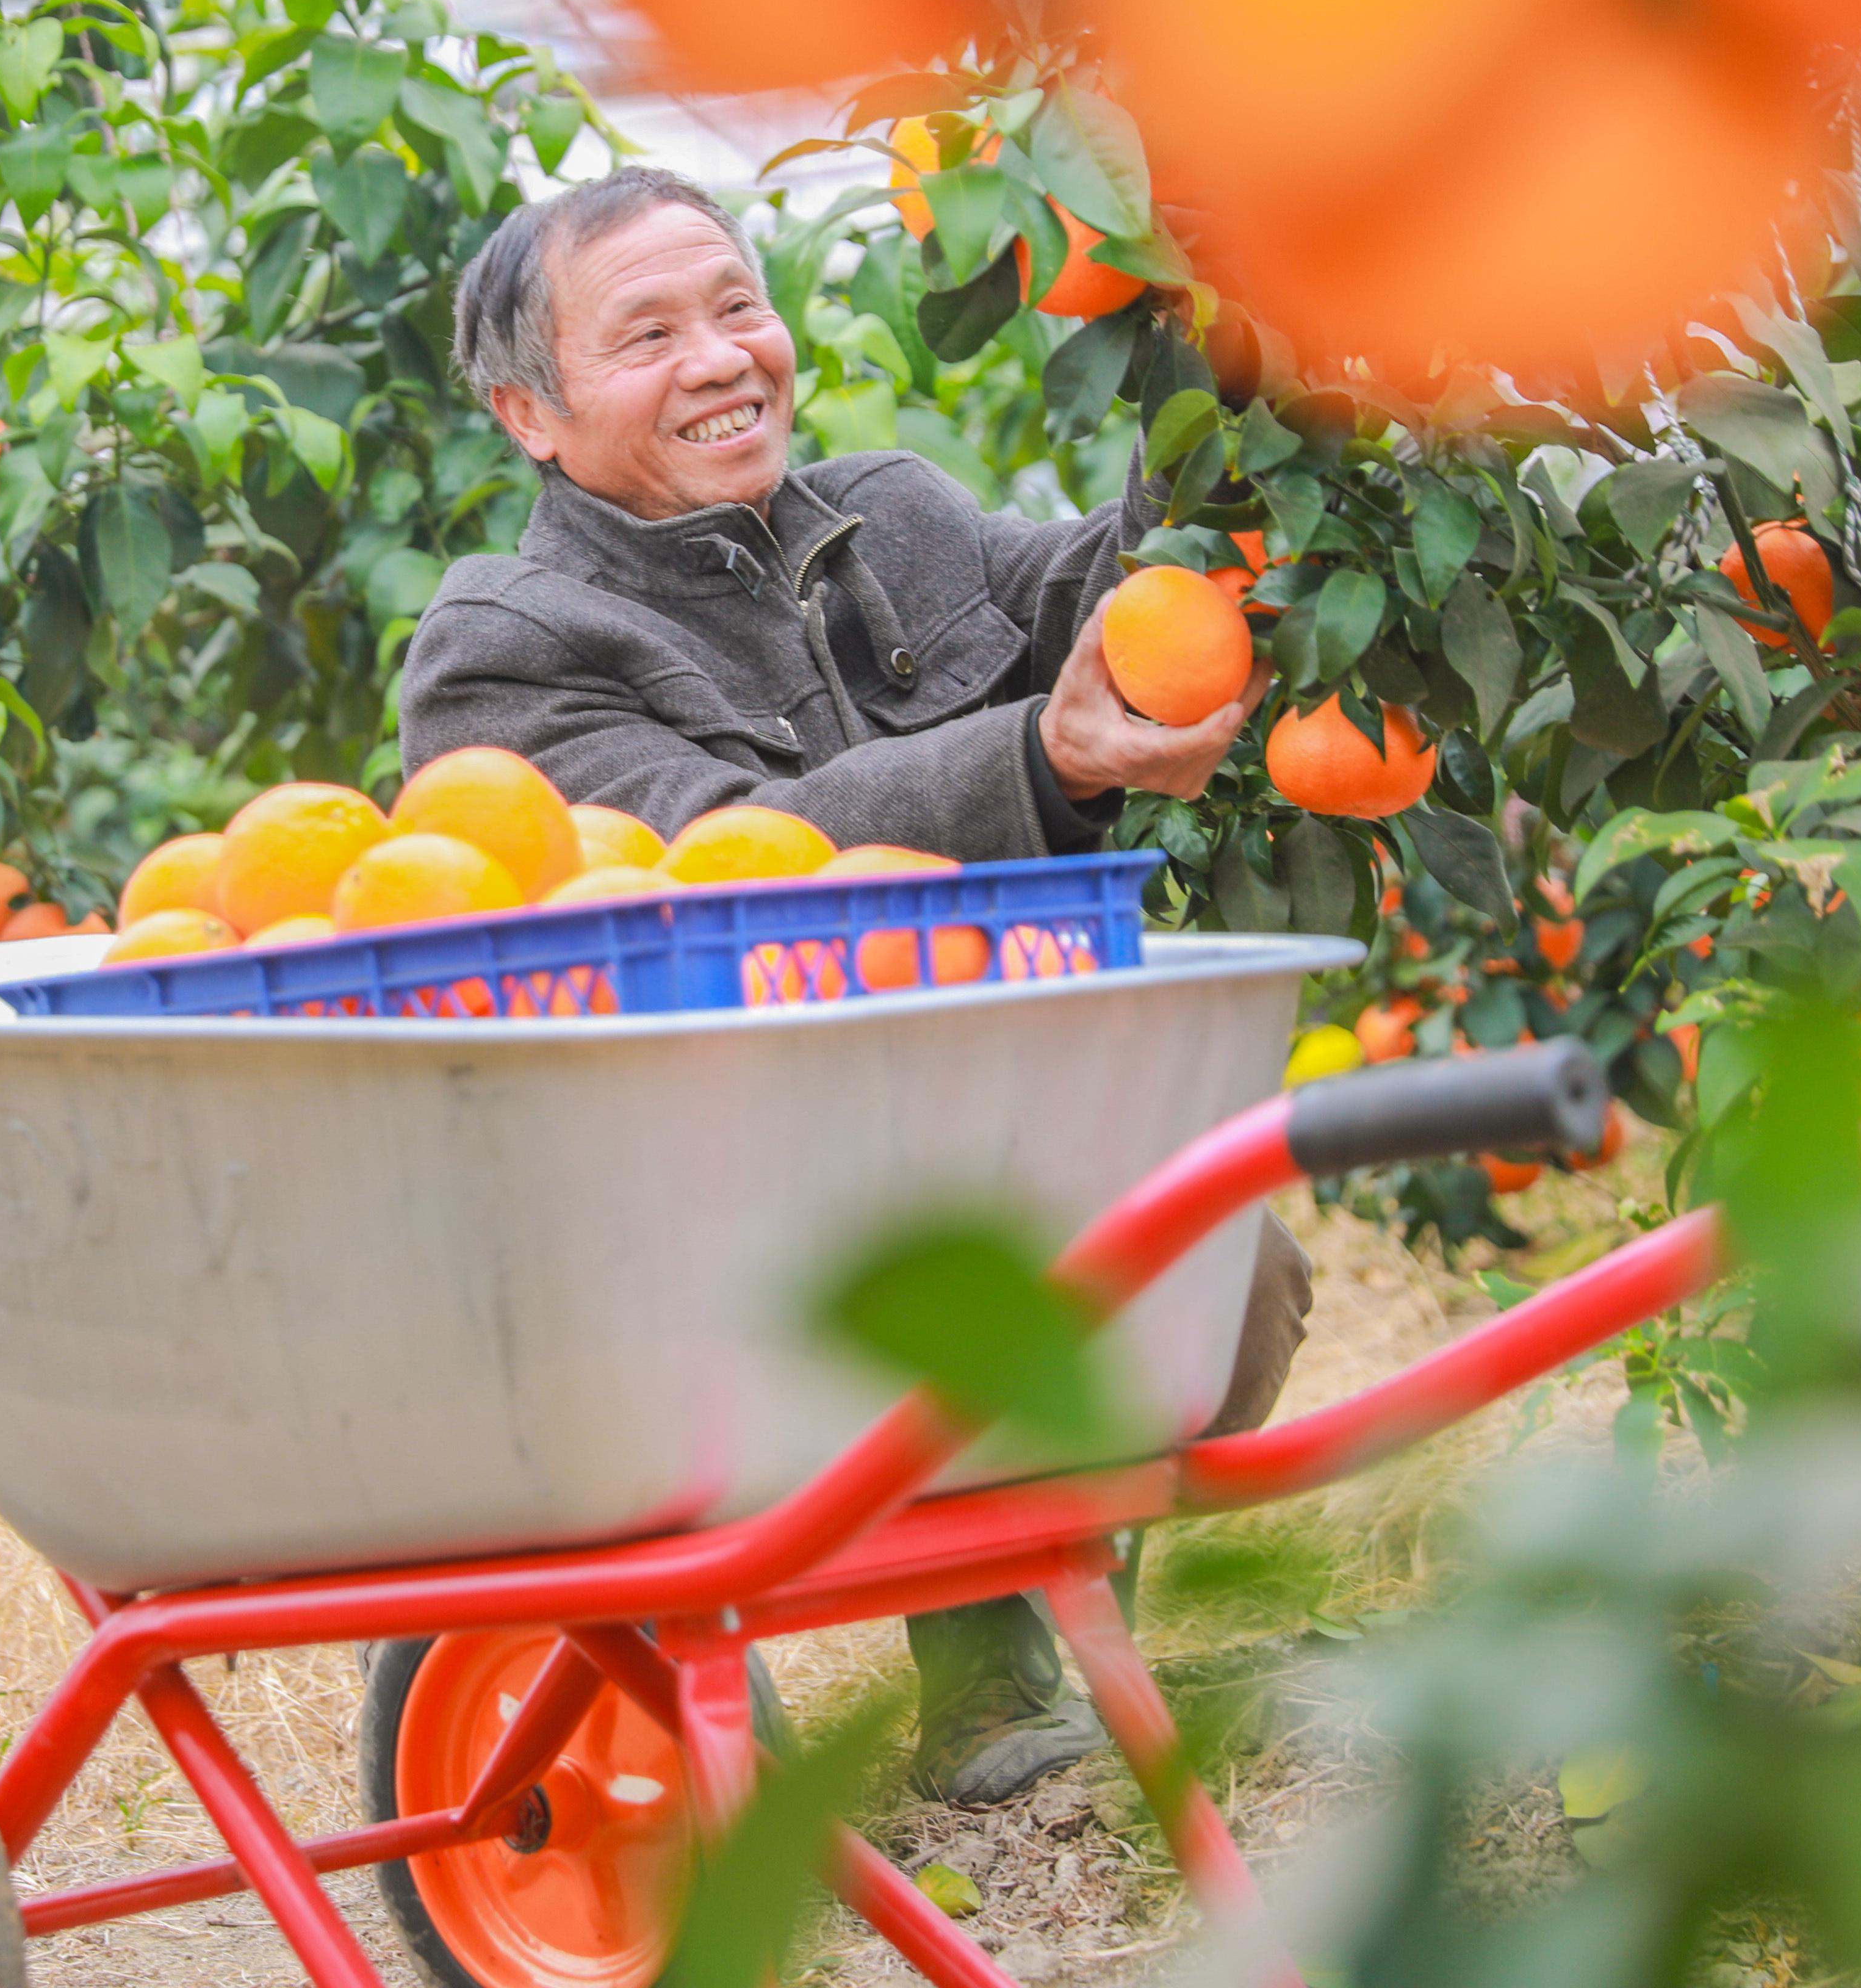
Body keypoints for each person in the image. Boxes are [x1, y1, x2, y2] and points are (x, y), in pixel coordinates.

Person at [401, 165, 1314, 1807]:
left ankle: (1060, 1628)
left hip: (939, 1117)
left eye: (737, 305)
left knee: (1229, 1274)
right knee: (951, 1287)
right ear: (529, 412)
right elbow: (721, 859)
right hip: (686, 1189)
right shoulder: (507, 644)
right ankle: (980, 1688)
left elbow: (1102, 591)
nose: (720, 356)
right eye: (650, 334)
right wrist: (1037, 756)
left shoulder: (887, 511)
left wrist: (1214, 352)